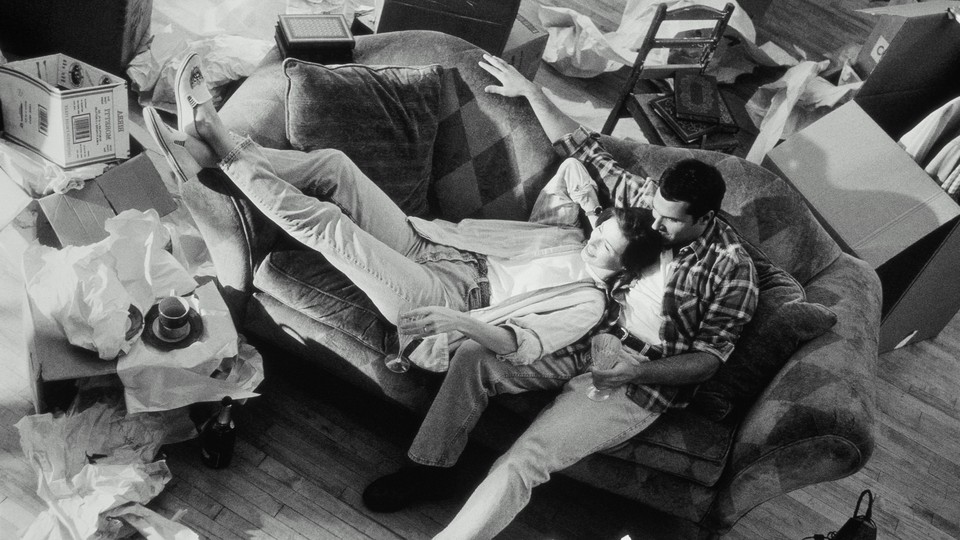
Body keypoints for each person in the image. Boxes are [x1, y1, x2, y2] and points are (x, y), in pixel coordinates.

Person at [361, 54, 760, 540]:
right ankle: (429, 469)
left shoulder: (731, 269)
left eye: (671, 220)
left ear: (704, 218)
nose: (654, 224)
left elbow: (709, 360)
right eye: (654, 210)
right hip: (583, 330)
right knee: (473, 356)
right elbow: (584, 148)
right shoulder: (649, 200)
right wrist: (533, 92)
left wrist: (636, 371)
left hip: (636, 376)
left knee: (525, 460)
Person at [143, 53, 661, 374]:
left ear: (625, 268)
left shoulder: (589, 304)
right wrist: (599, 216)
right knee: (336, 168)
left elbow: (522, 345)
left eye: (606, 249)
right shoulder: (571, 237)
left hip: (449, 300)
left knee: (330, 227)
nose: (594, 244)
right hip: (437, 247)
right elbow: (573, 172)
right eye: (600, 234)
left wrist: (459, 321)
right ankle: (206, 155)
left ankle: (219, 150)